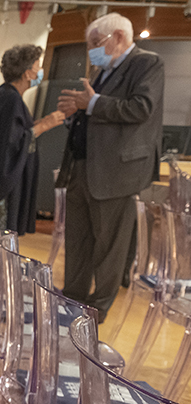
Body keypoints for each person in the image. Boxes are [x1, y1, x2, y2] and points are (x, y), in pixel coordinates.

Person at [56, 12, 164, 322]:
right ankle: (72, 298)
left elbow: (141, 107)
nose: (92, 51)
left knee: (109, 246)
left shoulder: (148, 63)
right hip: (82, 167)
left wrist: (89, 104)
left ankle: (97, 308)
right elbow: (95, 110)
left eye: (95, 43)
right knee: (78, 239)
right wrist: (75, 112)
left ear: (117, 37)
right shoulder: (105, 69)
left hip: (116, 172)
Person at [0, 45, 64, 235]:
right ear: (27, 74)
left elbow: (10, 134)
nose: (40, 72)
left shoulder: (4, 95)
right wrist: (43, 126)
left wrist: (36, 126)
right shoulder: (11, 100)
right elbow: (11, 144)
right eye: (37, 67)